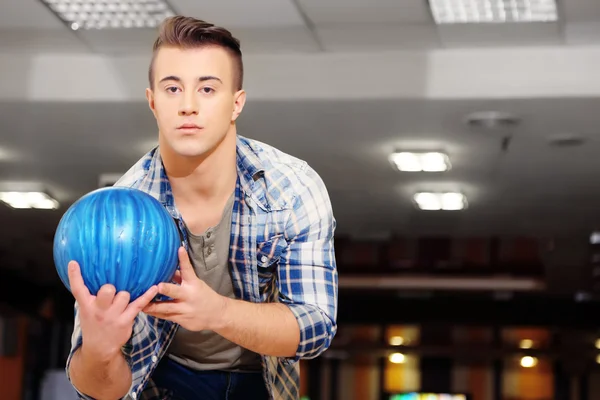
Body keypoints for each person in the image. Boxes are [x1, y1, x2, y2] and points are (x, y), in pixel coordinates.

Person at [63, 15, 338, 400]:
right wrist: (98, 349)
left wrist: (217, 312)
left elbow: (315, 329)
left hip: (261, 383)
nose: (188, 105)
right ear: (153, 101)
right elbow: (99, 391)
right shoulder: (116, 218)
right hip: (161, 384)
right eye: (172, 88)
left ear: (236, 103)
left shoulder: (291, 188)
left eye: (207, 89)